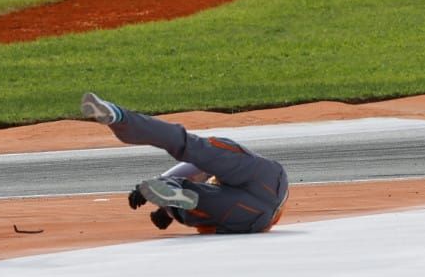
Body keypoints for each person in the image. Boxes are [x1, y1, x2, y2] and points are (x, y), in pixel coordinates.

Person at [80, 92, 289, 234]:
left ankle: (170, 202)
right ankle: (120, 117)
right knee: (190, 146)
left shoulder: (209, 185)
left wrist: (166, 205)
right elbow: (193, 168)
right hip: (264, 196)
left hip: (247, 210)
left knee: (192, 199)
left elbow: (183, 175)